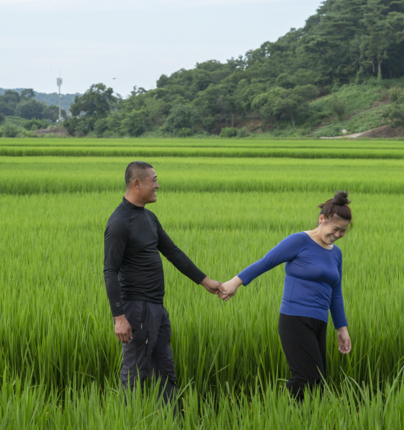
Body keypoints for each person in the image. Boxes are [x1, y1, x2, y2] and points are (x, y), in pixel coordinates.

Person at [104, 161, 223, 404]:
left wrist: (205, 281)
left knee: (165, 370)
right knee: (135, 373)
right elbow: (110, 270)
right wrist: (119, 317)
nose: (158, 185)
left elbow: (173, 253)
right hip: (136, 309)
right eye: (154, 180)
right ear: (137, 183)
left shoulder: (149, 218)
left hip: (157, 307)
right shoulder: (119, 222)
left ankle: (169, 424)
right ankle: (128, 425)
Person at [219, 191, 352, 399]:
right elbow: (266, 262)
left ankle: (303, 423)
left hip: (319, 321)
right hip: (295, 318)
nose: (337, 235)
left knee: (318, 380)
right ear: (322, 219)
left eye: (343, 232)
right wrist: (235, 282)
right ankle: (278, 412)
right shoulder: (299, 241)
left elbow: (335, 292)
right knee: (306, 377)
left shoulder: (336, 254)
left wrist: (341, 328)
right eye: (335, 229)